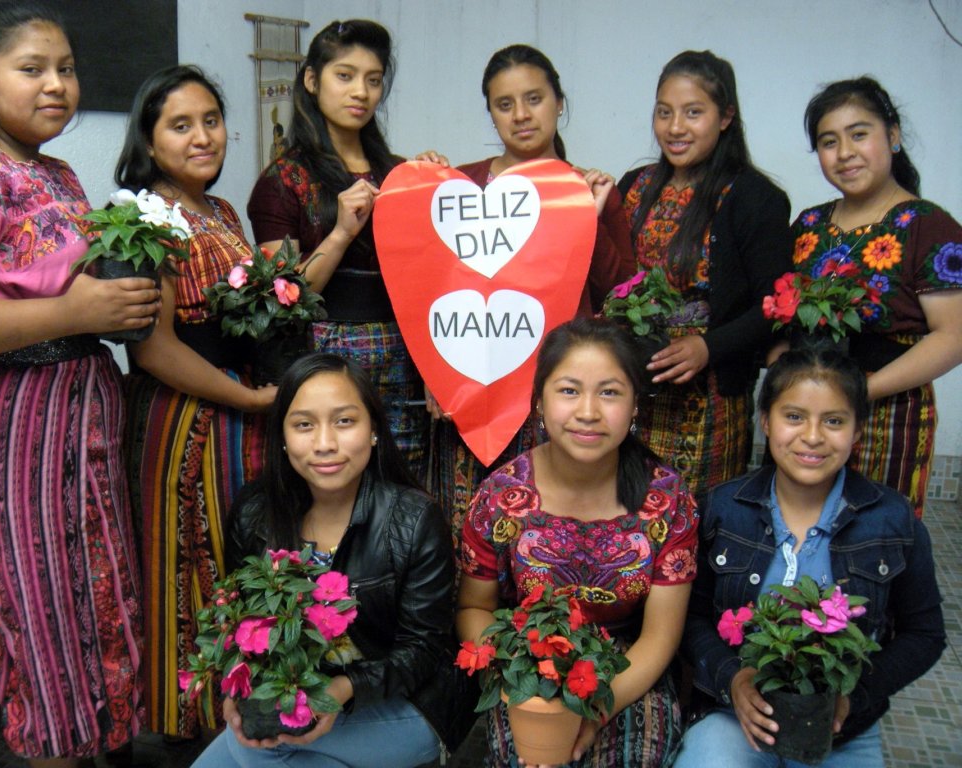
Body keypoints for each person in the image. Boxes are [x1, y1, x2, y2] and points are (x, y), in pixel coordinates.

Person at [0, 2, 156, 765]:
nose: (57, 85)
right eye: (32, 69)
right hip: (15, 428)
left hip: (77, 422)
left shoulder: (54, 171)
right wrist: (73, 311)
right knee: (46, 625)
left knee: (90, 611)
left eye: (65, 68)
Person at [193, 352, 469, 768]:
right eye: (304, 425)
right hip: (301, 697)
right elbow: (239, 624)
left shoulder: (414, 520)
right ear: (282, 435)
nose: (324, 444)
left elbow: (423, 651)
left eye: (344, 421)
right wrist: (237, 691)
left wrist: (340, 692)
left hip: (407, 704)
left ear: (373, 429)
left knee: (258, 745)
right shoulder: (255, 512)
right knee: (251, 735)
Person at [675, 346, 945, 767]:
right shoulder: (723, 510)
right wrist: (733, 678)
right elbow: (691, 618)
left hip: (840, 733)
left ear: (858, 430)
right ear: (766, 421)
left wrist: (854, 696)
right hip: (735, 719)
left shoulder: (893, 521)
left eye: (834, 421)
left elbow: (925, 634)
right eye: (794, 416)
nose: (813, 436)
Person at [115, 64, 276, 738]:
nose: (203, 137)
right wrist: (247, 398)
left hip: (238, 411)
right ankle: (195, 720)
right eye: (181, 125)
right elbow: (153, 348)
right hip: (186, 418)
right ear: (150, 142)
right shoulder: (142, 216)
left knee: (235, 560)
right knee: (189, 563)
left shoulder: (221, 210)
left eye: (211, 121)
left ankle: (241, 712)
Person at [457, 317, 699, 767]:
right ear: (540, 402)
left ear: (635, 406)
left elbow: (660, 635)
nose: (588, 411)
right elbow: (474, 608)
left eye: (609, 393)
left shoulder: (667, 499)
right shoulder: (500, 496)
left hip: (628, 666)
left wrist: (596, 708)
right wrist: (519, 678)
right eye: (569, 390)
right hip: (529, 661)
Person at [431, 43, 636, 541]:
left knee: (544, 527)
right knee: (472, 523)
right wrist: (436, 374)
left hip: (560, 386)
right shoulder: (459, 185)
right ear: (491, 113)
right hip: (475, 384)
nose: (521, 115)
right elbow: (433, 289)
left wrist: (589, 218)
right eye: (505, 104)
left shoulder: (589, 188)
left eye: (534, 99)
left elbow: (620, 293)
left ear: (559, 102)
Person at [246, 19, 427, 476]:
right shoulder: (282, 181)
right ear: (312, 80)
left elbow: (430, 274)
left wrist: (434, 183)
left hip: (405, 354)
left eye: (373, 79)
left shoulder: (401, 173)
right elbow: (284, 297)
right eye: (345, 76)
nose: (360, 92)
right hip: (325, 354)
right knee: (332, 481)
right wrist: (342, 232)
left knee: (403, 484)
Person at [614, 50, 793, 497]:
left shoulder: (755, 197)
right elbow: (610, 276)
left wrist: (707, 347)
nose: (675, 127)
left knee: (693, 514)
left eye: (693, 112)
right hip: (631, 382)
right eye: (664, 112)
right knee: (624, 508)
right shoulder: (634, 186)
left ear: (725, 116)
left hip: (708, 392)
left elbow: (777, 306)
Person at [788, 77, 962, 517]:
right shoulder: (808, 226)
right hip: (808, 408)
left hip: (889, 414)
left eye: (859, 134)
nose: (844, 152)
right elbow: (776, 309)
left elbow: (954, 336)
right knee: (799, 525)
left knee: (873, 533)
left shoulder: (928, 226)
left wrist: (861, 391)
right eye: (829, 142)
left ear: (893, 136)